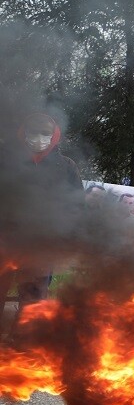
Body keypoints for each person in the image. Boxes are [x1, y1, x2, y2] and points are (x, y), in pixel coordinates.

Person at [1, 113, 82, 313]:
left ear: (54, 135)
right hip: (6, 239)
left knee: (33, 297)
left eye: (45, 133)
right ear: (23, 134)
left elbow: (77, 204)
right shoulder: (6, 160)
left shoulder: (66, 166)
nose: (39, 138)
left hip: (42, 244)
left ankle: (24, 338)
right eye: (33, 132)